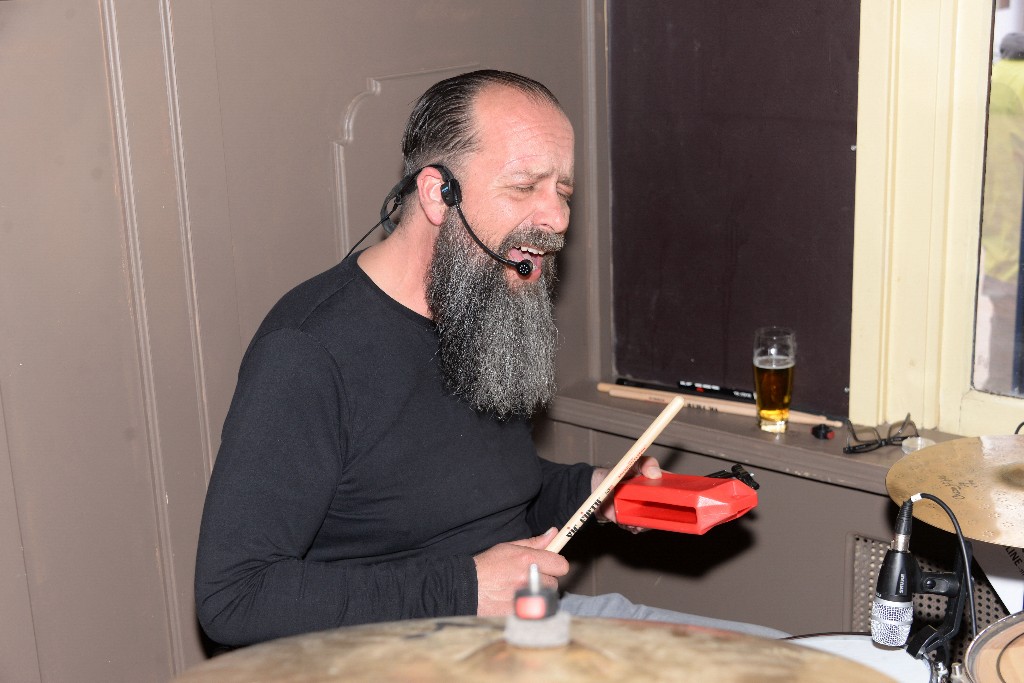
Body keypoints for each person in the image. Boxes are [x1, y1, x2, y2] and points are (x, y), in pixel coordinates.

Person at [195, 70, 786, 648]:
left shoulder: (482, 305)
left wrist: (593, 490)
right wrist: (462, 587)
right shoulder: (307, 350)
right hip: (398, 654)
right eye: (524, 187)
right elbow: (234, 597)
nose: (555, 220)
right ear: (437, 193)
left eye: (563, 193)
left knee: (792, 662)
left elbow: (484, 494)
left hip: (525, 624)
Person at [977, 32, 1024, 394]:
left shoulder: (991, 76)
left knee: (1002, 314)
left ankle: (994, 387)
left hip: (993, 215)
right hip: (1014, 220)